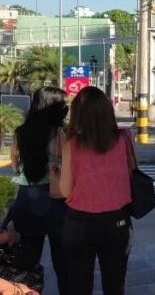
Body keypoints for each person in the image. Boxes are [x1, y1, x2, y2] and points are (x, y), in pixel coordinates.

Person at [59, 86, 133, 295]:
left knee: (79, 286)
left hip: (79, 225)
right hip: (117, 223)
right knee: (115, 286)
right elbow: (128, 174)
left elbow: (65, 190)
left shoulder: (72, 144)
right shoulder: (125, 138)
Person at [6, 87, 69, 293]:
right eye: (62, 104)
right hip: (56, 201)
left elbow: (16, 166)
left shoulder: (20, 133)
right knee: (64, 265)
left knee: (25, 264)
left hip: (26, 202)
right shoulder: (61, 134)